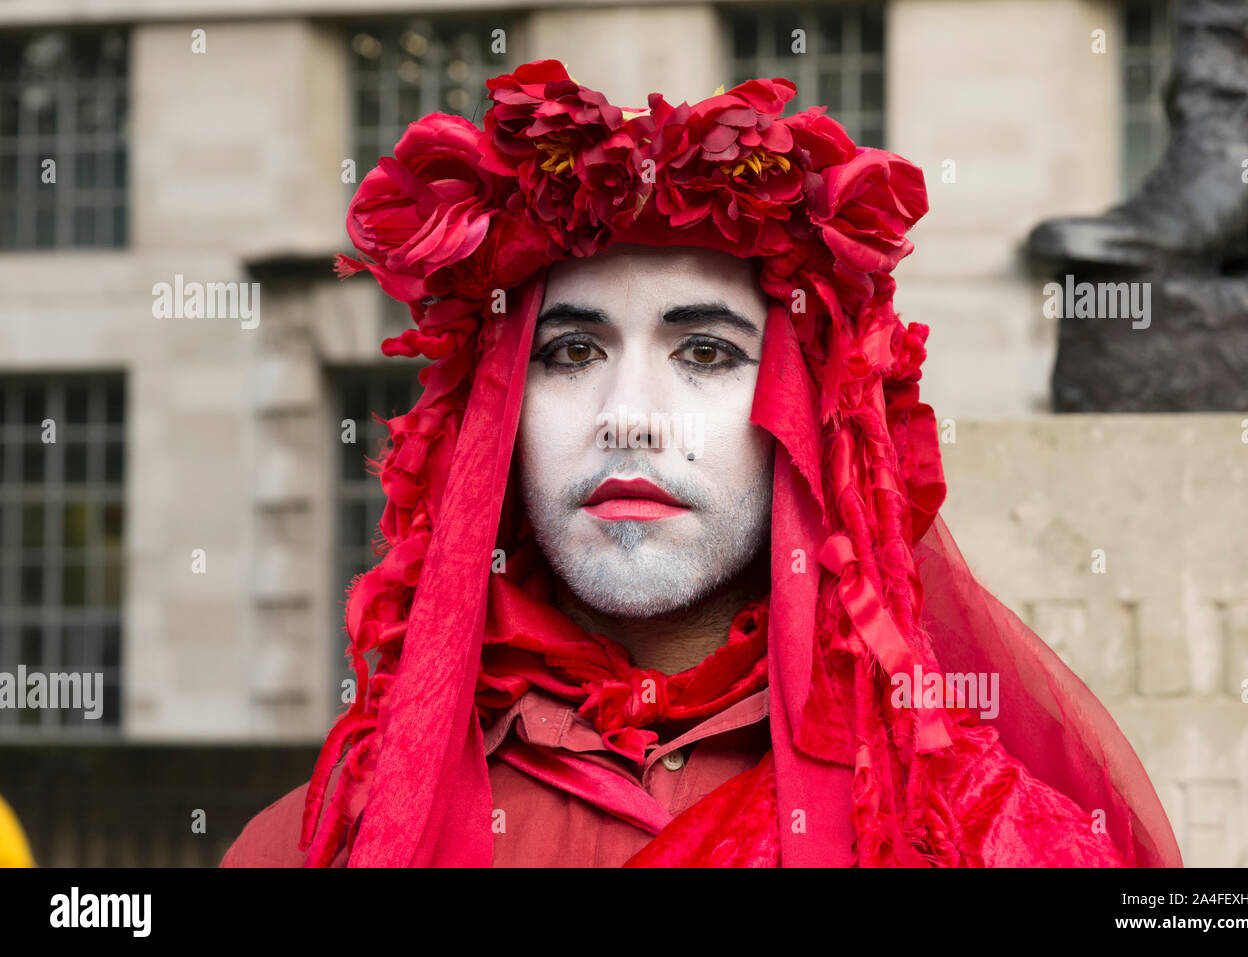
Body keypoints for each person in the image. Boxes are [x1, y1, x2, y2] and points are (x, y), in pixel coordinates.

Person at [221, 60, 1182, 867]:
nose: (630, 420)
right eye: (571, 352)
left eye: (707, 353)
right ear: (497, 416)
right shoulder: (314, 845)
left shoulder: (963, 832)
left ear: (808, 421)